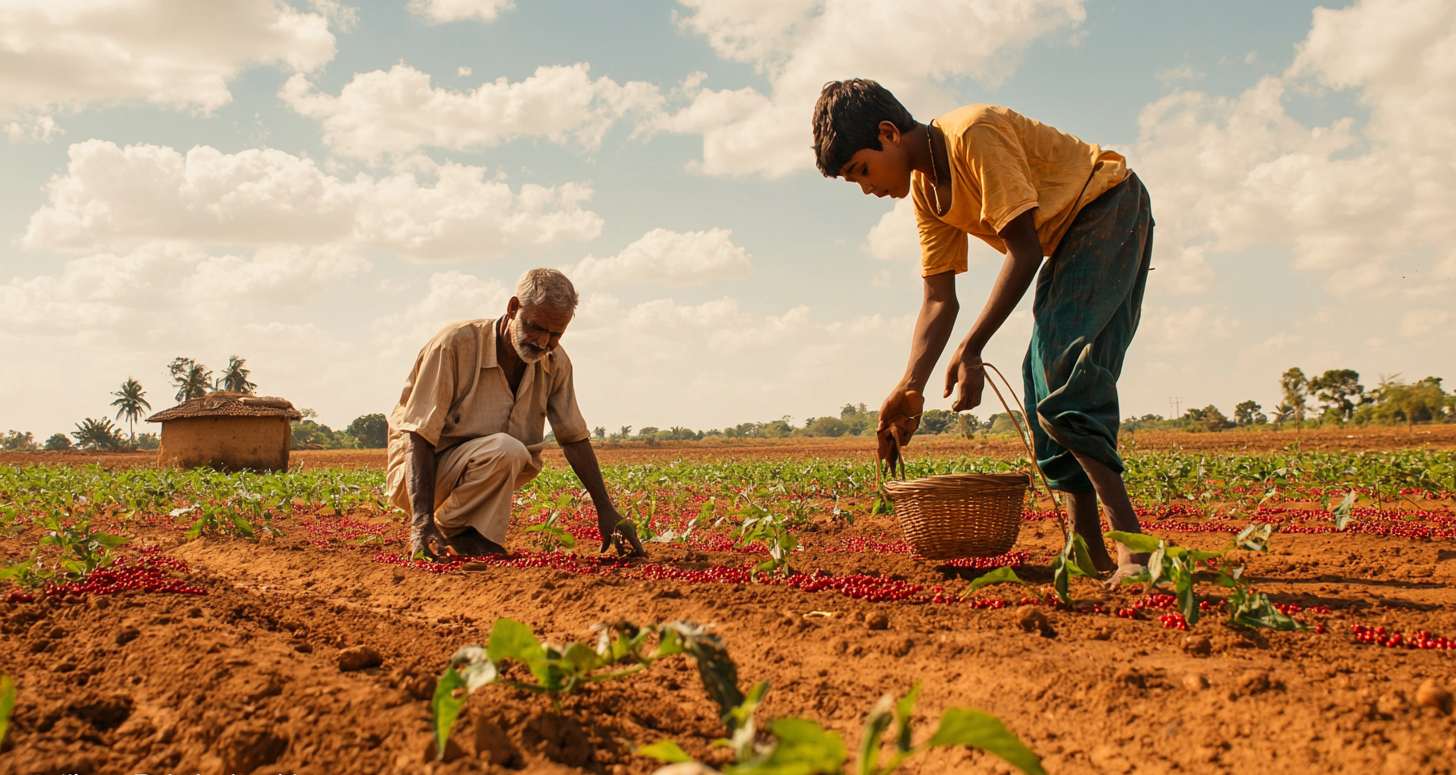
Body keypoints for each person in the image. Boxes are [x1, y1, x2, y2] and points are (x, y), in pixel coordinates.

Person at [811, 79, 1151, 576]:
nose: (867, 188)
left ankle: (1135, 548)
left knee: (1063, 371)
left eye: (862, 170)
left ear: (888, 133)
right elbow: (938, 300)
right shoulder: (927, 194)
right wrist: (911, 385)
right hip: (1068, 237)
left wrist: (970, 349)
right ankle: (1087, 551)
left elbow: (1025, 249)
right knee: (1040, 384)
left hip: (1107, 209)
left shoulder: (973, 134)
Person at [386, 268, 646, 560]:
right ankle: (456, 530)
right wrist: (420, 521)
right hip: (421, 476)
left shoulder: (555, 363)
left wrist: (606, 510)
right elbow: (418, 435)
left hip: (480, 468)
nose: (543, 341)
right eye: (535, 327)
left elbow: (573, 437)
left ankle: (466, 533)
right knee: (506, 448)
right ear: (513, 308)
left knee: (510, 451)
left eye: (556, 333)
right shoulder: (454, 345)